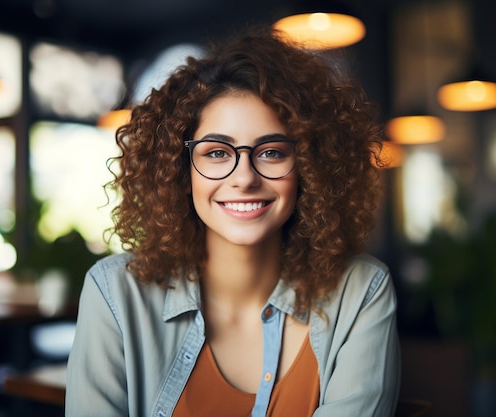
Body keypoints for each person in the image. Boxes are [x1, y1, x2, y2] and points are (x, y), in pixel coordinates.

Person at [66, 25, 400, 417]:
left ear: (310, 168)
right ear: (179, 169)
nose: (244, 178)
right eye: (217, 153)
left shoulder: (360, 292)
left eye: (272, 152)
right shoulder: (115, 293)